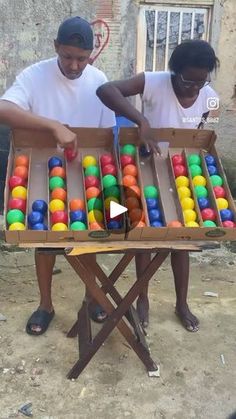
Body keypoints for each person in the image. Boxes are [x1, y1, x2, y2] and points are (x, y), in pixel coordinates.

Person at [0, 16, 115, 334]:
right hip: (41, 166)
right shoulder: (35, 75)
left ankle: (92, 297)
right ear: (55, 48)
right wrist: (53, 125)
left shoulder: (98, 79)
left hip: (86, 169)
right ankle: (45, 304)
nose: (75, 66)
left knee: (90, 237)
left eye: (82, 58)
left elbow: (106, 134)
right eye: (67, 56)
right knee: (44, 238)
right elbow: (4, 109)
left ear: (91, 53)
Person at [97, 39, 220, 331]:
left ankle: (182, 303)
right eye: (188, 80)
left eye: (201, 82)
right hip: (146, 166)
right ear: (174, 71)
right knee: (145, 237)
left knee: (183, 239)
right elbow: (105, 90)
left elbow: (202, 132)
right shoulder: (152, 82)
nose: (194, 88)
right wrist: (141, 121)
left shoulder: (209, 96)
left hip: (182, 171)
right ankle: (142, 299)